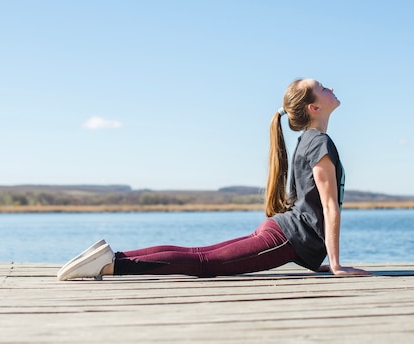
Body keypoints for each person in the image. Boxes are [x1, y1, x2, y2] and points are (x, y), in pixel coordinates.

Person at [57, 78, 370, 281]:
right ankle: (111, 265)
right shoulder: (318, 142)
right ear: (314, 107)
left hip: (283, 232)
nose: (331, 87)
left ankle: (111, 257)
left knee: (198, 255)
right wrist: (338, 265)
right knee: (203, 262)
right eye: (323, 87)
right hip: (284, 237)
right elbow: (329, 208)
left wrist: (317, 261)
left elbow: (311, 205)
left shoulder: (309, 139)